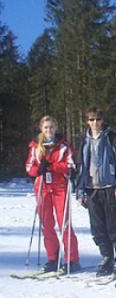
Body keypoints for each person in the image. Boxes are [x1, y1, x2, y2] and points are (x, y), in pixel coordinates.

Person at [76, 107, 116, 277]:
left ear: (102, 120)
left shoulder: (112, 138)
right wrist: (80, 190)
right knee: (98, 227)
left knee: (115, 225)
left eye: (98, 119)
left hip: (110, 187)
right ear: (87, 121)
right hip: (92, 188)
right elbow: (81, 166)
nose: (95, 123)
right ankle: (107, 256)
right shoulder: (84, 140)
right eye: (91, 120)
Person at [25, 115, 80, 273]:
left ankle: (71, 259)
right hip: (43, 187)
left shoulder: (63, 146)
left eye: (51, 127)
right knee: (46, 224)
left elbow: (70, 165)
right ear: (41, 129)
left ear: (56, 128)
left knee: (64, 223)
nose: (49, 130)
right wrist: (38, 170)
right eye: (46, 127)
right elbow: (29, 167)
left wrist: (52, 166)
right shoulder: (35, 146)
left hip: (60, 187)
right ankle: (52, 258)